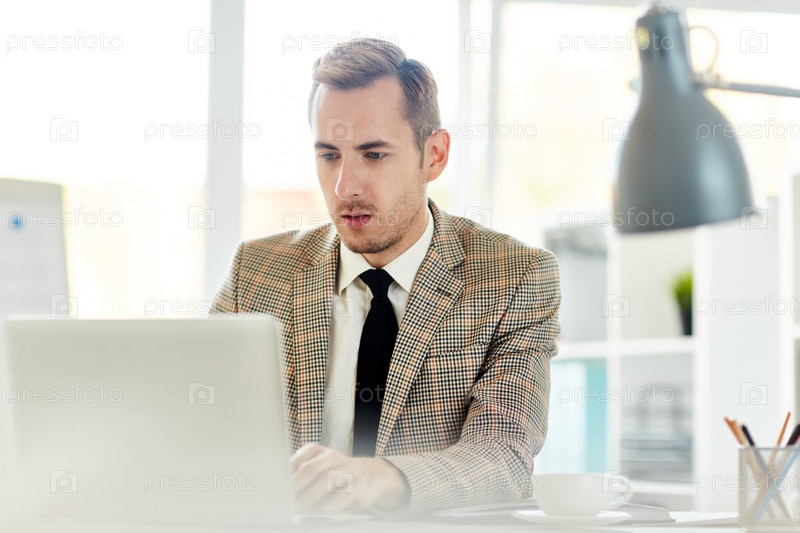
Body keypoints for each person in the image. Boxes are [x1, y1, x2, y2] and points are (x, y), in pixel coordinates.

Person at [210, 37, 560, 515]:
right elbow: (197, 426)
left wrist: (375, 479)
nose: (345, 187)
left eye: (373, 155)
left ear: (434, 155)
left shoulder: (514, 277)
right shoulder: (256, 272)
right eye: (329, 155)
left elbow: (504, 456)